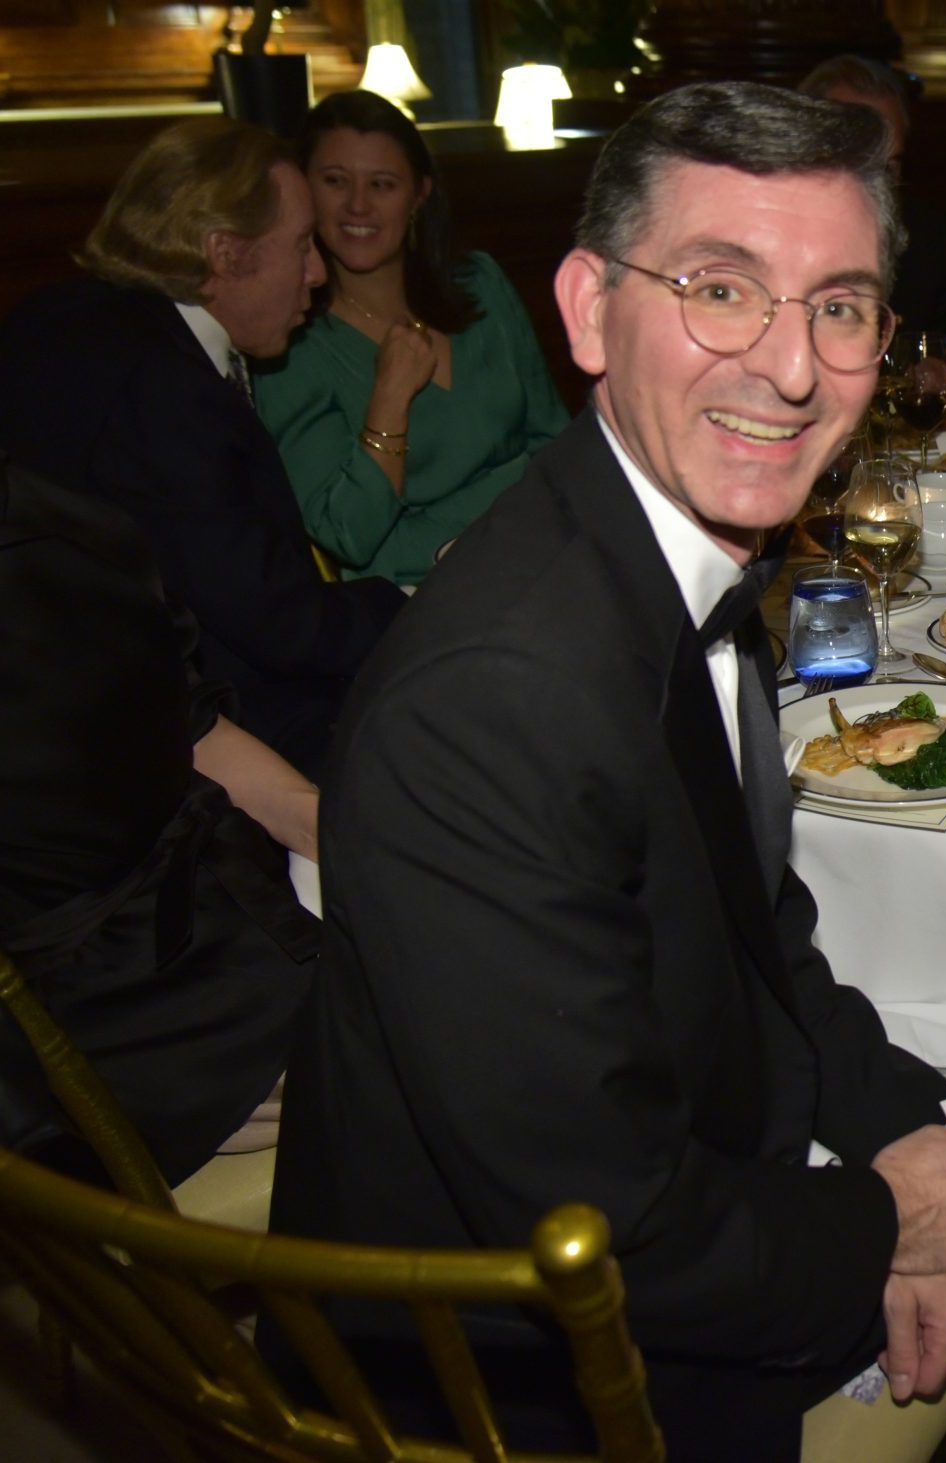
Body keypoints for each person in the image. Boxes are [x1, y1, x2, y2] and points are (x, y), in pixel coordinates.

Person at [264, 83, 946, 1460]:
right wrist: (887, 1224)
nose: (791, 368)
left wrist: (911, 1150)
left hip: (686, 1173)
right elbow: (599, 1224)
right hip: (527, 1381)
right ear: (586, 311)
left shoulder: (664, 552)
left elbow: (762, 941)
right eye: (719, 289)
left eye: (841, 306)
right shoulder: (493, 699)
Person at [0, 118, 405, 779]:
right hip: (151, 743)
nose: (316, 273)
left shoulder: (64, 315)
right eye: (301, 244)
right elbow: (279, 626)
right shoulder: (162, 391)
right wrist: (421, 603)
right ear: (226, 254)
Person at [0, 451, 319, 1187]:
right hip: (96, 1032)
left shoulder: (56, 516)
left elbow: (191, 725)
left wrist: (329, 827)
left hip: (229, 910)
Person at [255, 90, 570, 587]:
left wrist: (484, 529)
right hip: (413, 596)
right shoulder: (291, 343)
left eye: (382, 185)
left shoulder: (480, 285)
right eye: (335, 181)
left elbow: (557, 446)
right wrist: (390, 398)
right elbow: (348, 536)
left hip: (538, 555)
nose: (358, 205)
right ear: (303, 189)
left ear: (419, 195)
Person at [798, 55, 946, 335]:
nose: (877, 185)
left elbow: (944, 339)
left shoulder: (926, 239)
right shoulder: (770, 241)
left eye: (889, 167)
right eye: (859, 162)